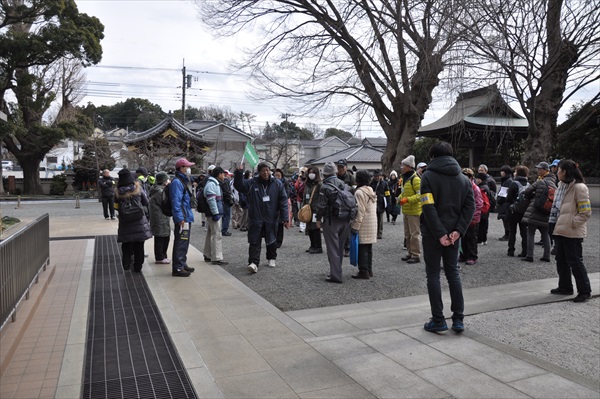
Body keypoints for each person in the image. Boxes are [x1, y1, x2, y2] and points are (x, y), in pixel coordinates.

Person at [420, 141, 474, 333]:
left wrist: (440, 233)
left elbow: (428, 206)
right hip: (454, 234)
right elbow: (470, 207)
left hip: (433, 233)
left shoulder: (428, 176)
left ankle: (438, 319)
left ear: (433, 156)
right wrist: (458, 230)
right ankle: (458, 319)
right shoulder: (464, 179)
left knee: (433, 274)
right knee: (453, 273)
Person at [234, 162, 289, 273]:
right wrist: (239, 173)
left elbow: (283, 201)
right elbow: (239, 186)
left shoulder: (277, 184)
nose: (266, 172)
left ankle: (271, 258)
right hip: (256, 217)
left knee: (272, 239)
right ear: (259, 172)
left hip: (272, 216)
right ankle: (254, 262)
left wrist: (285, 217)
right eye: (263, 170)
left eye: (267, 170)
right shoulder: (252, 183)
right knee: (254, 240)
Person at [551, 160, 592, 302]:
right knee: (560, 259)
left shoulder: (579, 188)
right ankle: (565, 286)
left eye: (559, 170)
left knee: (575, 261)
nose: (557, 172)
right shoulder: (561, 186)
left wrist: (572, 223)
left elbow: (585, 211)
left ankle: (584, 291)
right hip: (560, 229)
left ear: (565, 172)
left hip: (572, 231)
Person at [316, 161, 351, 283]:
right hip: (345, 219)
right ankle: (337, 270)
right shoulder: (343, 184)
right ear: (335, 172)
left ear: (324, 174)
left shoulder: (325, 186)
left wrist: (318, 219)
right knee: (340, 247)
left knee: (332, 248)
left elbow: (321, 206)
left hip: (331, 220)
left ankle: (335, 275)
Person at [114, 169, 152, 272]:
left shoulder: (118, 191)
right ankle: (138, 266)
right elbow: (146, 202)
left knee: (126, 243)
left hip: (125, 222)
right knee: (139, 244)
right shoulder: (138, 188)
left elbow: (116, 207)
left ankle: (126, 265)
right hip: (139, 221)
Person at [521, 162, 557, 262]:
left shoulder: (540, 181)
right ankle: (546, 256)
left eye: (540, 169)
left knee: (530, 233)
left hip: (536, 210)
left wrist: (532, 194)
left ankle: (529, 255)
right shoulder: (554, 183)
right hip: (547, 210)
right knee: (545, 234)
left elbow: (527, 191)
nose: (538, 171)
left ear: (546, 170)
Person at [170, 158, 197, 277]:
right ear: (182, 168)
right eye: (187, 167)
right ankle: (178, 267)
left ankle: (182, 263)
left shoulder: (182, 180)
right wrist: (179, 218)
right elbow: (176, 202)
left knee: (184, 242)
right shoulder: (177, 182)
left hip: (185, 216)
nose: (189, 169)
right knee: (181, 242)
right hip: (183, 217)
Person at [350, 170, 377, 279]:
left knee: (362, 249)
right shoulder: (370, 190)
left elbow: (360, 211)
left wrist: (355, 225)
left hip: (363, 223)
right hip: (371, 222)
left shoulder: (359, 192)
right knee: (368, 248)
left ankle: (363, 271)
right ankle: (369, 270)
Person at [398, 155, 422, 264]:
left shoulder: (416, 179)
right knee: (407, 234)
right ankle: (410, 253)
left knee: (414, 234)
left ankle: (416, 255)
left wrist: (407, 200)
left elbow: (420, 196)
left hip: (414, 212)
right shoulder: (405, 179)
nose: (401, 167)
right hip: (406, 211)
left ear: (409, 166)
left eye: (403, 165)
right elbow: (403, 193)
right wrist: (399, 198)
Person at [204, 167, 228, 265]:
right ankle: (216, 257)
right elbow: (211, 200)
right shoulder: (212, 184)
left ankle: (208, 254)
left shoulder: (211, 183)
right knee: (217, 235)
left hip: (212, 213)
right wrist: (216, 213)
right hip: (213, 213)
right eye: (223, 174)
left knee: (211, 233)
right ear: (219, 174)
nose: (224, 176)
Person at [506, 165, 530, 257]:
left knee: (512, 231)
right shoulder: (529, 185)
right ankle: (525, 251)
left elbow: (508, 198)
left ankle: (511, 250)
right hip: (524, 211)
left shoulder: (514, 184)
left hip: (514, 210)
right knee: (524, 232)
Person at [460, 168, 483, 265]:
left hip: (473, 218)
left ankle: (472, 256)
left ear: (470, 177)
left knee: (472, 238)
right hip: (464, 217)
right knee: (463, 237)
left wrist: (472, 216)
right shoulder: (461, 187)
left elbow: (479, 204)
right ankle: (464, 255)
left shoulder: (475, 188)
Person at [149, 172, 171, 264]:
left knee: (163, 236)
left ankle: (162, 255)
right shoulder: (159, 192)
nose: (169, 181)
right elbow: (164, 204)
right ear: (163, 181)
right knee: (161, 237)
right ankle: (160, 257)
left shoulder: (157, 190)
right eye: (167, 180)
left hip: (160, 216)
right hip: (160, 217)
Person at [336, 159, 355, 256]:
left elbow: (355, 189)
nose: (340, 169)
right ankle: (339, 247)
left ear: (346, 167)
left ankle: (347, 248)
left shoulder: (351, 177)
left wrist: (346, 188)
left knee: (347, 227)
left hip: (347, 204)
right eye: (339, 167)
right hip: (337, 204)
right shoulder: (335, 177)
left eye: (342, 167)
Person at [303, 166, 323, 254]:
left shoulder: (319, 185)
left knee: (315, 228)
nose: (311, 174)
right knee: (309, 228)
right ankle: (312, 245)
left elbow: (321, 197)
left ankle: (318, 246)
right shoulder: (307, 184)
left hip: (315, 209)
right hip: (308, 209)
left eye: (313, 172)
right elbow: (304, 196)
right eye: (310, 172)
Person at [369, 169, 391, 239]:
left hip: (381, 202)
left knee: (380, 219)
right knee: (373, 219)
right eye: (375, 176)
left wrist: (388, 202)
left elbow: (387, 193)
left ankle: (380, 233)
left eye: (378, 176)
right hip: (373, 202)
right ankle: (374, 232)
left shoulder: (384, 183)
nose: (377, 177)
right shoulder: (371, 183)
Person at [274, 168, 291, 248]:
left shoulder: (285, 183)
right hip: (273, 205)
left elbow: (287, 193)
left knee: (280, 224)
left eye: (278, 175)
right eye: (275, 175)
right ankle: (273, 240)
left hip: (282, 205)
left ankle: (279, 241)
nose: (277, 177)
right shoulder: (272, 183)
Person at [475, 172, 494, 245]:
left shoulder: (481, 188)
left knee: (480, 225)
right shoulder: (486, 186)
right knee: (484, 224)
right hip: (486, 208)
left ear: (481, 179)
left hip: (482, 208)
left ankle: (480, 240)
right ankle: (484, 239)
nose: (476, 180)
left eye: (478, 178)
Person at [496, 165, 513, 241]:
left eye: (502, 171)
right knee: (505, 219)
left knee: (506, 220)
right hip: (504, 203)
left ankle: (508, 234)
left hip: (505, 203)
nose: (501, 173)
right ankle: (507, 234)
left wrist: (499, 201)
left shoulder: (508, 181)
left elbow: (504, 194)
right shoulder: (506, 180)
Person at [220, 170, 234, 236]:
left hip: (222, 200)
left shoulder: (221, 182)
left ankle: (223, 228)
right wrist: (230, 200)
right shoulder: (226, 182)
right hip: (226, 201)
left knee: (224, 216)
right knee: (227, 216)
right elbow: (227, 192)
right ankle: (224, 230)